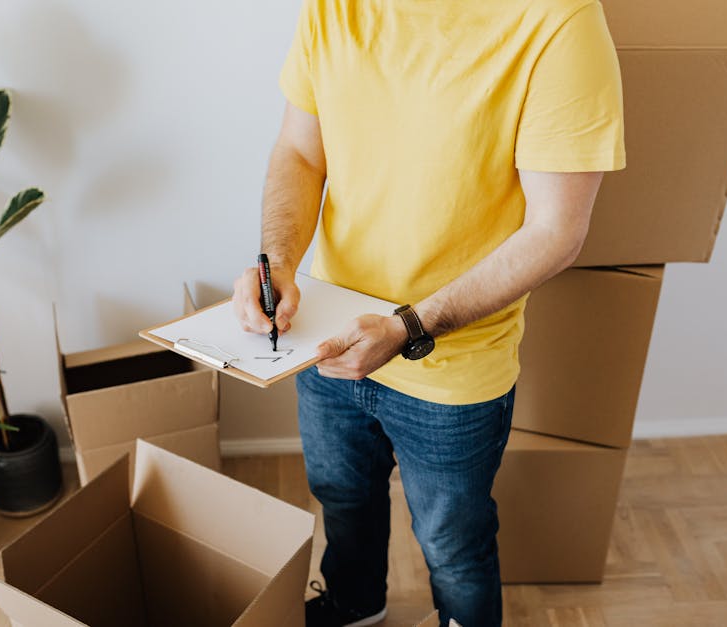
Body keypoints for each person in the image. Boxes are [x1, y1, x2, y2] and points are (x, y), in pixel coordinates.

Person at [232, 0, 625, 624]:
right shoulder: (333, 8)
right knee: (342, 500)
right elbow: (300, 152)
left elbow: (556, 231)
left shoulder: (559, 20)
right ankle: (356, 606)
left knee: (452, 543)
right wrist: (277, 260)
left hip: (453, 364)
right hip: (327, 337)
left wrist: (407, 327)